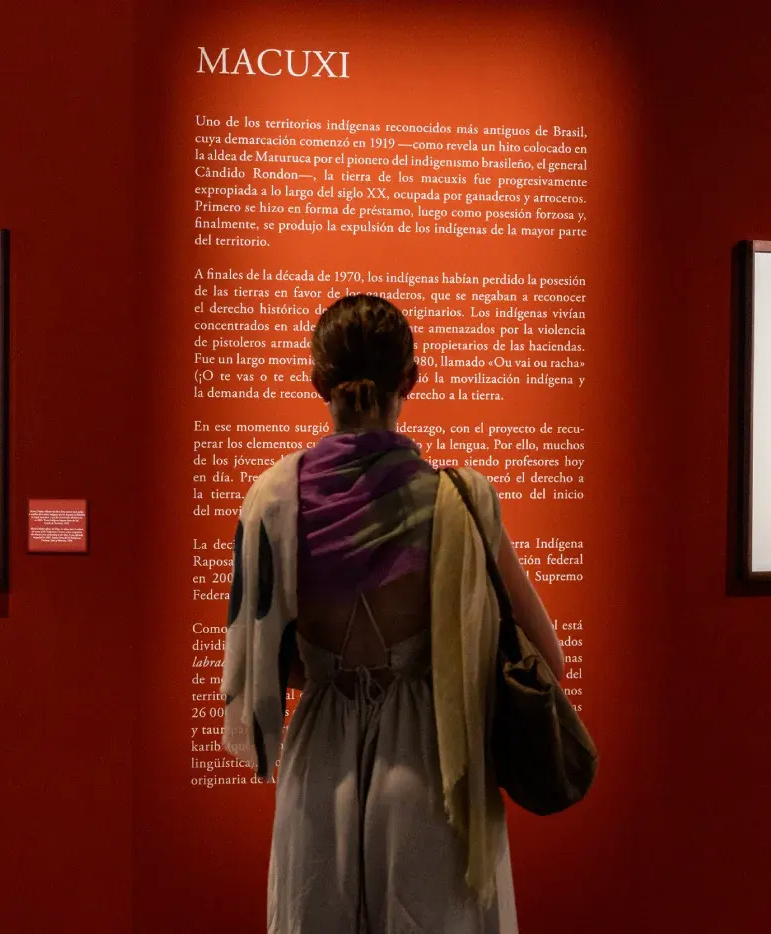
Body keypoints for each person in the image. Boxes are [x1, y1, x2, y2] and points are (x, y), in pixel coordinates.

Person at [220, 294, 564, 933]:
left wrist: (330, 669)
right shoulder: (459, 502)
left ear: (316, 380)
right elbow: (546, 655)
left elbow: (269, 664)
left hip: (319, 762)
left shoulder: (271, 501)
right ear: (410, 378)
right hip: (433, 760)